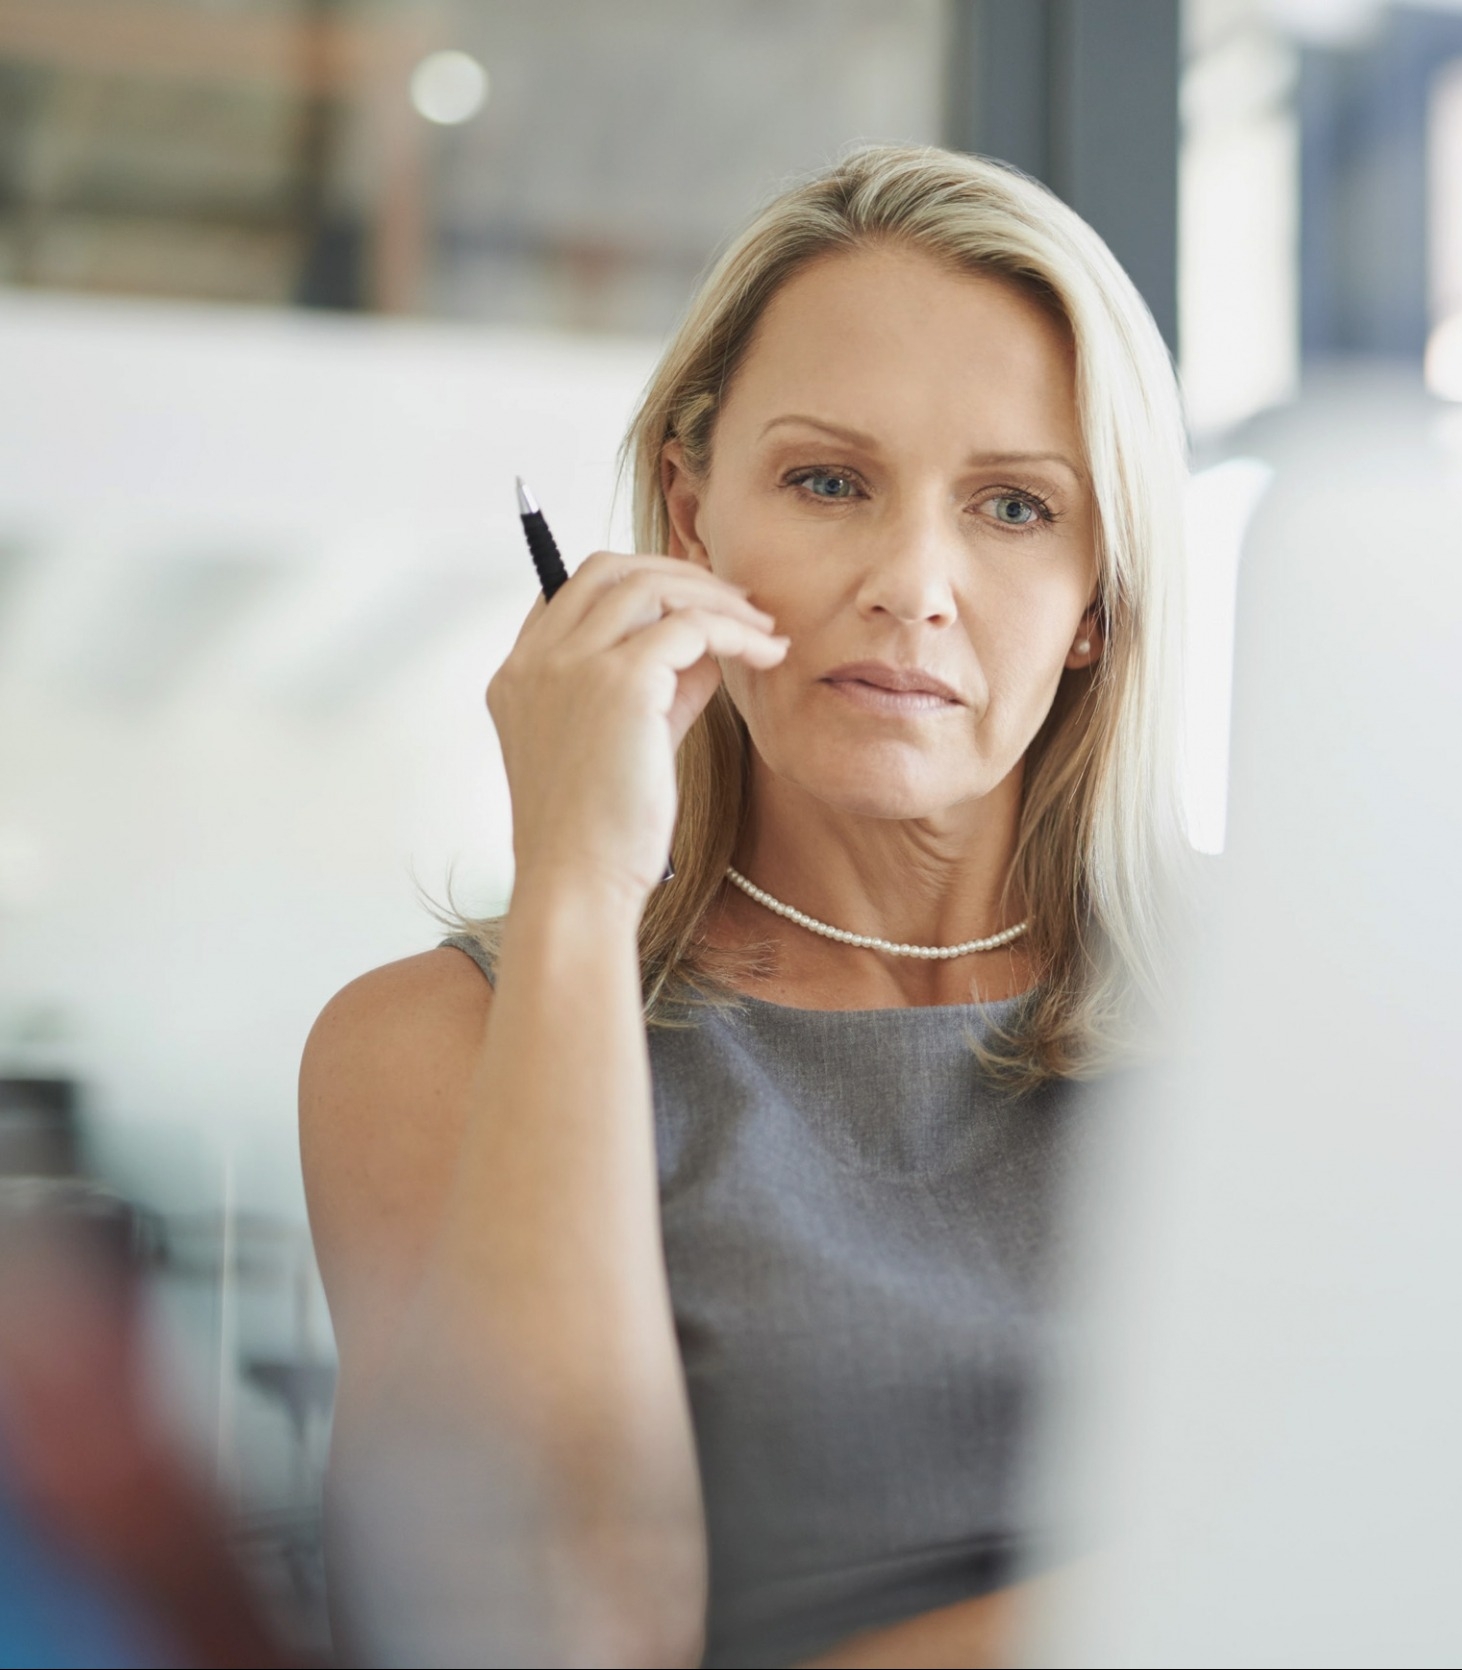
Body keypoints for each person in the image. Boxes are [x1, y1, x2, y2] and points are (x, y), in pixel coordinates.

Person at [299, 144, 1188, 1668]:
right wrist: (578, 888)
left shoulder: (1290, 1017)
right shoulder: (436, 1045)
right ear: (693, 515)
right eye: (830, 481)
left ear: (1098, 596)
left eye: (1013, 506)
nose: (912, 583)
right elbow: (536, 1637)